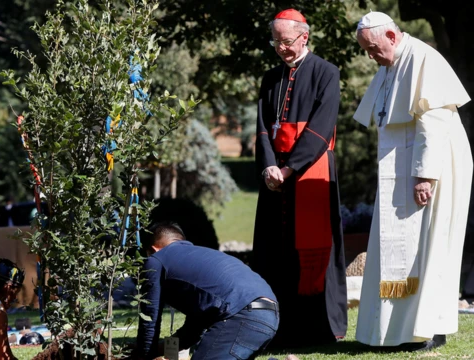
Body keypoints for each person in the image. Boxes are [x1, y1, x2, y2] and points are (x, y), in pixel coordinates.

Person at [353, 11, 473, 350]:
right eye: (366, 51)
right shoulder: (391, 65)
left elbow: (432, 124)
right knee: (399, 247)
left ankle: (428, 330)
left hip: (433, 169)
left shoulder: (424, 60)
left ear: (391, 36)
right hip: (401, 169)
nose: (371, 57)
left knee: (430, 247)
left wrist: (424, 176)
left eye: (373, 48)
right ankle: (395, 330)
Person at [252, 8, 347, 347]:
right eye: (275, 42)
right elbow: (263, 128)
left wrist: (289, 168)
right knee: (274, 252)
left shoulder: (326, 73)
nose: (281, 48)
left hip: (310, 173)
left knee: (312, 252)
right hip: (274, 178)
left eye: (286, 41)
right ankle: (275, 330)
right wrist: (268, 168)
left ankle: (318, 331)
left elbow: (322, 129)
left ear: (304, 36)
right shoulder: (269, 78)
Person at [133, 222, 279, 360]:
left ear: (153, 250)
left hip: (241, 316)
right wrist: (162, 348)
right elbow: (193, 330)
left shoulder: (156, 260)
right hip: (268, 316)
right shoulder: (201, 260)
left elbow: (149, 321)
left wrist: (143, 355)